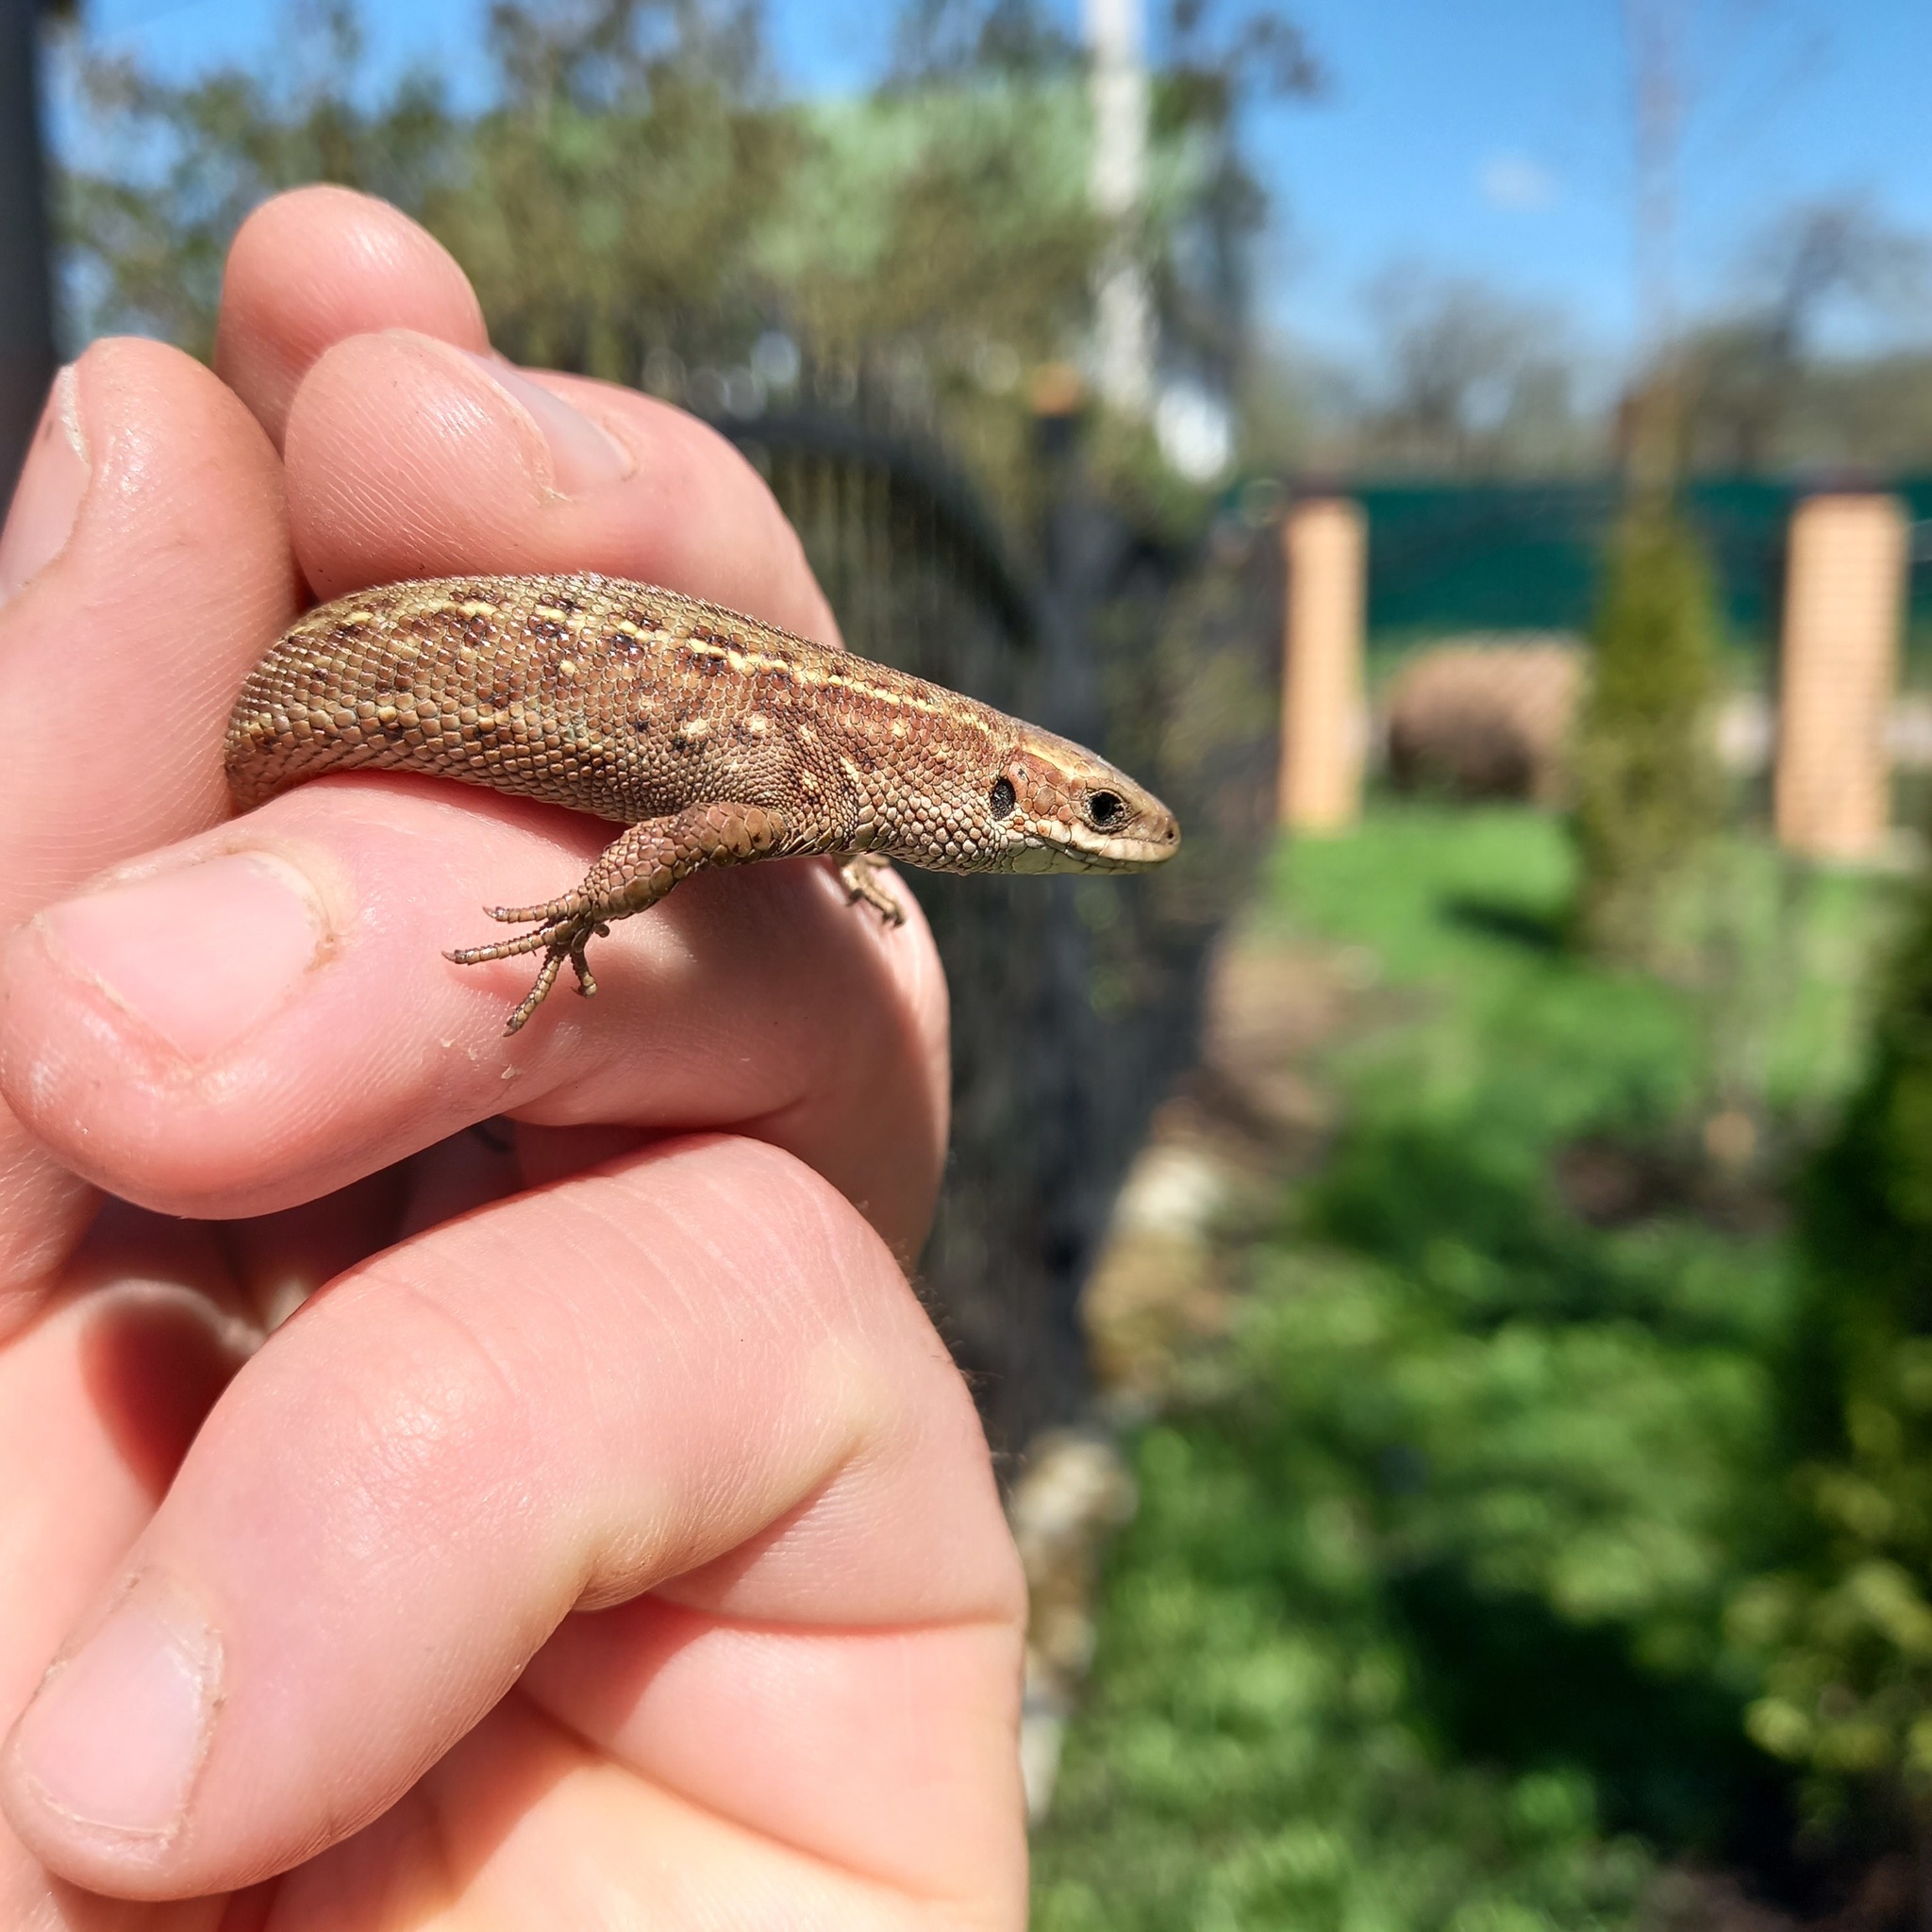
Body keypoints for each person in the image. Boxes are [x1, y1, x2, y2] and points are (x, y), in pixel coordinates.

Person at [0, 186, 1027, 1924]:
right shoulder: (816, 772)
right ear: (996, 796)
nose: (1091, 840)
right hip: (315, 690)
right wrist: (570, 925)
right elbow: (659, 847)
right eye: (1082, 817)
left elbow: (722, 822)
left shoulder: (830, 788)